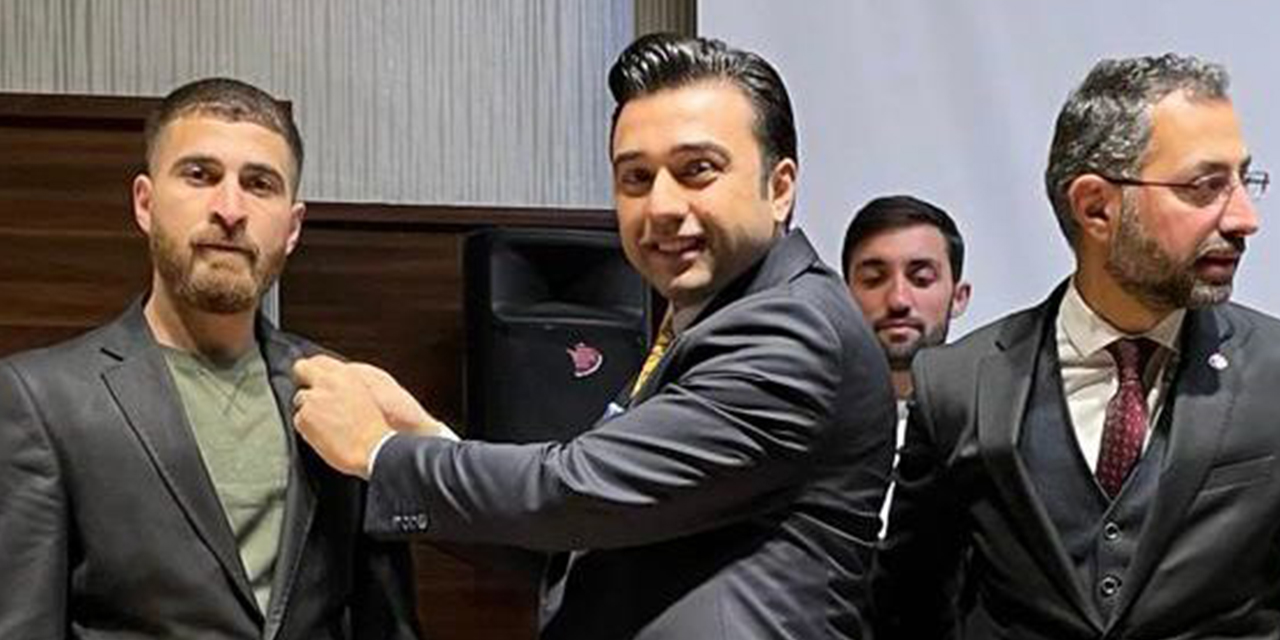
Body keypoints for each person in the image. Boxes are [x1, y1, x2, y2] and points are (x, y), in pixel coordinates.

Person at [292, 33, 895, 640]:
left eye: (697, 171)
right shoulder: (702, 319)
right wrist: (422, 435)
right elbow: (586, 539)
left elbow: (574, 492)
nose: (661, 206)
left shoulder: (794, 329)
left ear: (780, 187)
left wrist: (379, 452)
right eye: (636, 177)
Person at [872, 53, 1277, 639]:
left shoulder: (1275, 372)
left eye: (1245, 180)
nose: (1244, 217)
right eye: (1205, 186)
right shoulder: (959, 386)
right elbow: (908, 609)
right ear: (1095, 207)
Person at [0, 78, 420, 639]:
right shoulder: (41, 400)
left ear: (292, 227)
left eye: (259, 184)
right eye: (200, 175)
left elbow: (387, 623)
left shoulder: (341, 391)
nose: (230, 209)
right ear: (145, 203)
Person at [842, 195, 971, 534]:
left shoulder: (993, 427)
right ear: (843, 296)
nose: (898, 299)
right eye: (874, 279)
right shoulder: (805, 426)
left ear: (959, 297)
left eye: (921, 278)